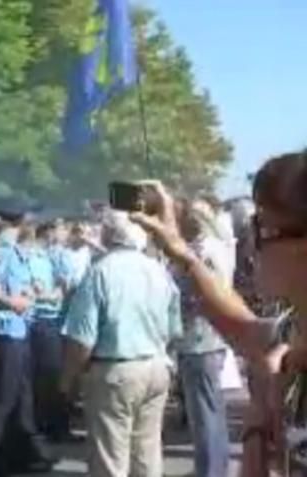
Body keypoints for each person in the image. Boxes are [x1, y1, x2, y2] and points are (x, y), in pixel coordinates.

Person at [126, 156, 307, 476]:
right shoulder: (293, 330)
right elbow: (243, 328)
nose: (249, 243)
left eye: (261, 226)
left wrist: (258, 434)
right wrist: (181, 252)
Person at [61, 211, 182, 477]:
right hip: (155, 366)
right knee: (147, 453)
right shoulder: (158, 270)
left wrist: (68, 379)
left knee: (110, 459)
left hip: (115, 370)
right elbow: (174, 328)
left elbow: (82, 338)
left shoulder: (99, 272)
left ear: (108, 235)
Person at [0, 204, 54, 476]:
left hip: (21, 330)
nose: (34, 225)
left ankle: (20, 454)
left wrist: (29, 290)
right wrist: (12, 301)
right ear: (21, 222)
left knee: (22, 397)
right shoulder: (2, 252)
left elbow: (16, 286)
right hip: (7, 333)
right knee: (4, 399)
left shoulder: (17, 252)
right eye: (30, 220)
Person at [176, 200, 231, 477]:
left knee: (204, 414)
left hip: (200, 339)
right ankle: (215, 466)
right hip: (206, 338)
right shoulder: (212, 247)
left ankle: (210, 470)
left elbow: (212, 293)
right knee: (211, 409)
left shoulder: (203, 252)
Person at [25, 219, 67, 441]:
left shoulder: (51, 256)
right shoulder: (31, 257)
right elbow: (34, 292)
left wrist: (54, 293)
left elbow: (62, 286)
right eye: (59, 228)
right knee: (42, 376)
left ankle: (55, 425)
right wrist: (49, 295)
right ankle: (43, 425)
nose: (62, 233)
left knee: (53, 375)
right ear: (48, 230)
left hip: (53, 320)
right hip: (38, 321)